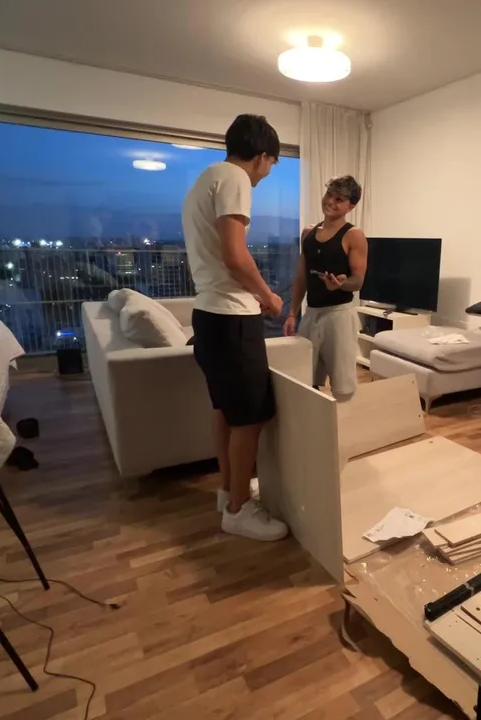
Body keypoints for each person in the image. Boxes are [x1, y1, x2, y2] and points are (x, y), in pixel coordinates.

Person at [182, 114, 287, 541]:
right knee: (250, 419)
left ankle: (229, 492)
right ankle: (240, 511)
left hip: (209, 316)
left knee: (225, 411)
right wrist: (268, 295)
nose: (267, 173)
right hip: (231, 319)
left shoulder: (205, 179)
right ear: (261, 156)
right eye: (271, 163)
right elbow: (234, 255)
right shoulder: (235, 178)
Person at [283, 175, 368, 401]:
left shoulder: (354, 235)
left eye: (339, 199)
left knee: (342, 384)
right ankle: (314, 422)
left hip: (339, 316)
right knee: (304, 377)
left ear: (351, 206)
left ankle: (344, 421)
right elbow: (301, 276)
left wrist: (340, 284)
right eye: (329, 194)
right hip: (311, 313)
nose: (330, 201)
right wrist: (292, 313)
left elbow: (358, 281)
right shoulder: (308, 233)